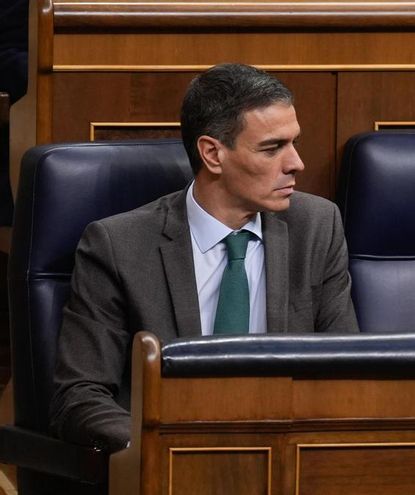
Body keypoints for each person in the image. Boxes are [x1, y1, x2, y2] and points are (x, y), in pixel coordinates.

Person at [50, 63, 359, 452]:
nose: (296, 163)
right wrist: (169, 449)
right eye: (273, 147)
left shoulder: (316, 226)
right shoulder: (118, 245)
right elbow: (80, 396)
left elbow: (347, 371)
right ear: (213, 153)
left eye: (294, 142)